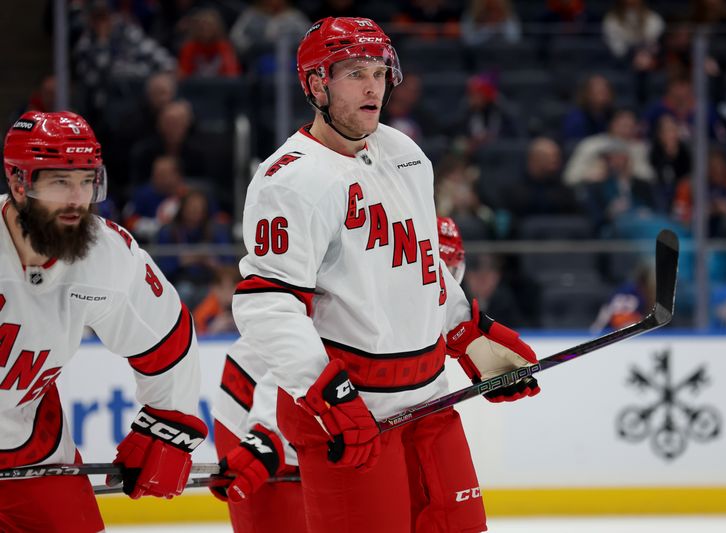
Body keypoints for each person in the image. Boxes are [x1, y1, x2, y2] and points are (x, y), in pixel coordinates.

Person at [216, 17, 542, 533]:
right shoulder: (290, 181)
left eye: (379, 71)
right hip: (353, 412)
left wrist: (467, 335)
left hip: (428, 400)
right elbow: (268, 304)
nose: (374, 87)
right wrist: (325, 393)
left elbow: (422, 268)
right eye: (354, 74)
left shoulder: (404, 154)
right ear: (317, 84)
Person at [0, 111, 207, 532]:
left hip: (30, 448)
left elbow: (166, 339)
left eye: (87, 181)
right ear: (19, 183)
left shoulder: (106, 255)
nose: (78, 199)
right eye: (60, 182)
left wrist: (169, 425)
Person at [210, 214, 470, 533]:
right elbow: (291, 370)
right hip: (253, 409)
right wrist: (268, 439)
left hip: (321, 418)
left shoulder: (416, 297)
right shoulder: (365, 300)